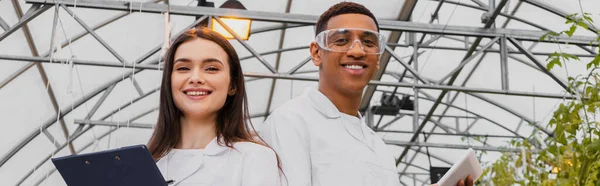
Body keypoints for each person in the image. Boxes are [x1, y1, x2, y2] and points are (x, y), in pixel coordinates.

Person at [260, 2, 473, 186]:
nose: (357, 51)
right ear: (317, 53)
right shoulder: (291, 121)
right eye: (341, 41)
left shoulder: (376, 145)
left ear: (378, 58)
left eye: (369, 42)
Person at [147, 27, 282, 186]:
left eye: (211, 68)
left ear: (233, 84)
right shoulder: (144, 163)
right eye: (183, 68)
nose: (195, 78)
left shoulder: (254, 158)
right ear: (169, 82)